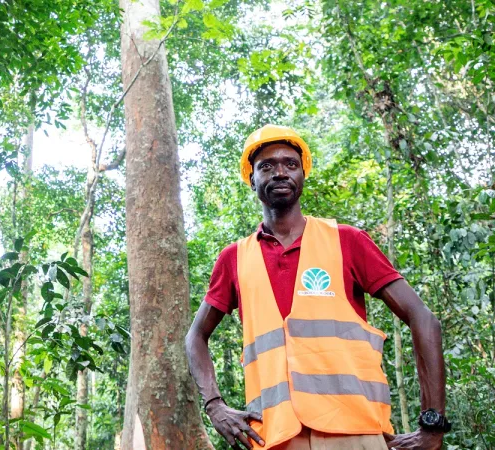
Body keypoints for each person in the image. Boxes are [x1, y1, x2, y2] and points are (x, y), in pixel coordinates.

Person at [185, 125, 449, 450]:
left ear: (302, 175)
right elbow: (195, 336)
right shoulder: (234, 258)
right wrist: (214, 405)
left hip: (355, 434)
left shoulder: (346, 241)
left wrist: (433, 424)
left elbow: (423, 318)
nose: (280, 172)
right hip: (276, 437)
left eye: (290, 164)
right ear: (252, 180)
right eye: (266, 166)